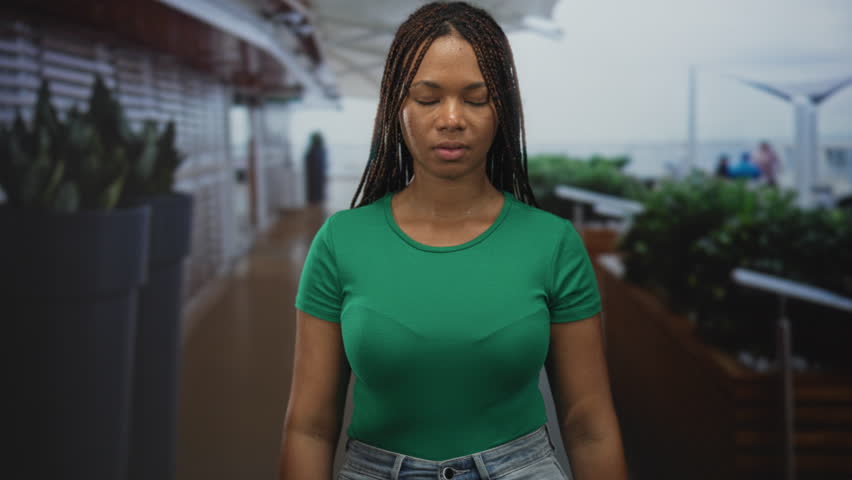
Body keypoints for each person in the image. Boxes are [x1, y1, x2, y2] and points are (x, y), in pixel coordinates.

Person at [279, 3, 628, 480]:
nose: (451, 118)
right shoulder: (341, 242)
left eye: (475, 98)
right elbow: (310, 428)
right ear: (396, 107)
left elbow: (589, 427)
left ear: (501, 107)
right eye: (427, 98)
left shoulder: (553, 243)